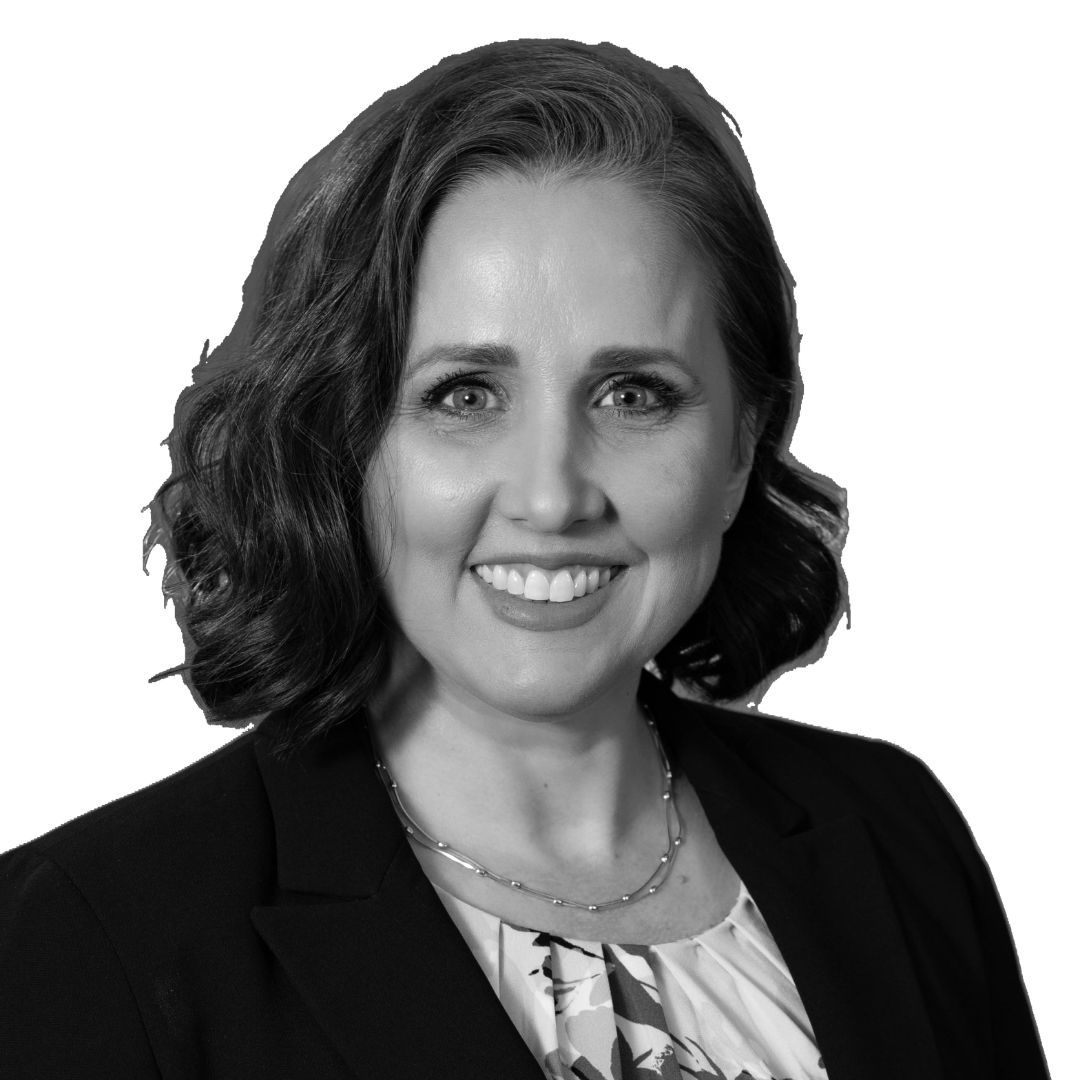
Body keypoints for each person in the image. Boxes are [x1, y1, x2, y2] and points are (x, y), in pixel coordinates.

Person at [0, 38, 1048, 1080]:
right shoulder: (76, 945)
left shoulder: (896, 835)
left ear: (739, 448)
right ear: (344, 442)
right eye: (464, 395)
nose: (553, 495)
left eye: (634, 394)